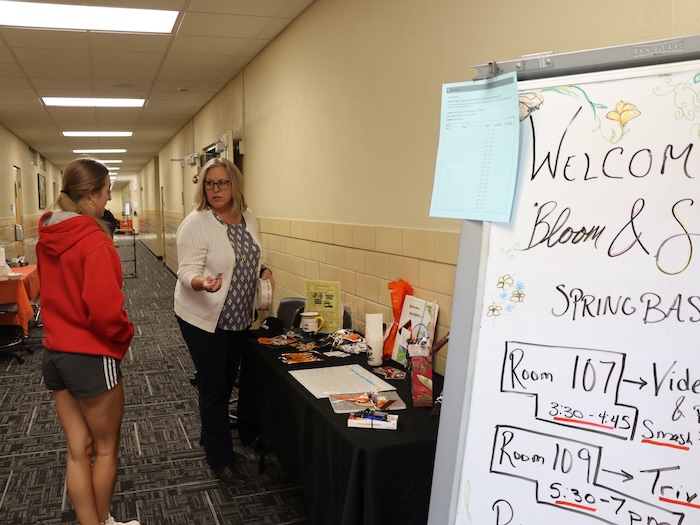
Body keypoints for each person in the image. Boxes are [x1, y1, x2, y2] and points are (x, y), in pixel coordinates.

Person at [37, 157, 138, 525]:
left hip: (55, 354)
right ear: (92, 195)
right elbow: (104, 313)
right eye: (108, 192)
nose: (109, 200)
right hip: (91, 357)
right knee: (107, 449)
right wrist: (125, 336)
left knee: (78, 451)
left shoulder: (48, 235)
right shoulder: (95, 241)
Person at [174, 157, 275, 486]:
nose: (216, 189)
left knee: (226, 379)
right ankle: (219, 460)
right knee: (215, 387)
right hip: (203, 317)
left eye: (222, 183)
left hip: (238, 318)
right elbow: (186, 270)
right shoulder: (197, 222)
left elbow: (252, 255)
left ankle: (212, 433)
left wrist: (263, 271)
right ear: (203, 187)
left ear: (235, 185)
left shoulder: (248, 216)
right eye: (209, 183)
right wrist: (200, 282)